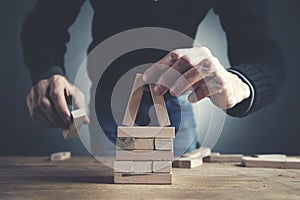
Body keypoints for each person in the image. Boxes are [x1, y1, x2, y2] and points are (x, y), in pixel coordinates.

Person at [21, 0, 284, 153]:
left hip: (175, 96)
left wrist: (237, 84)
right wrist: (48, 72)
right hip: (108, 97)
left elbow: (266, 56)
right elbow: (42, 28)